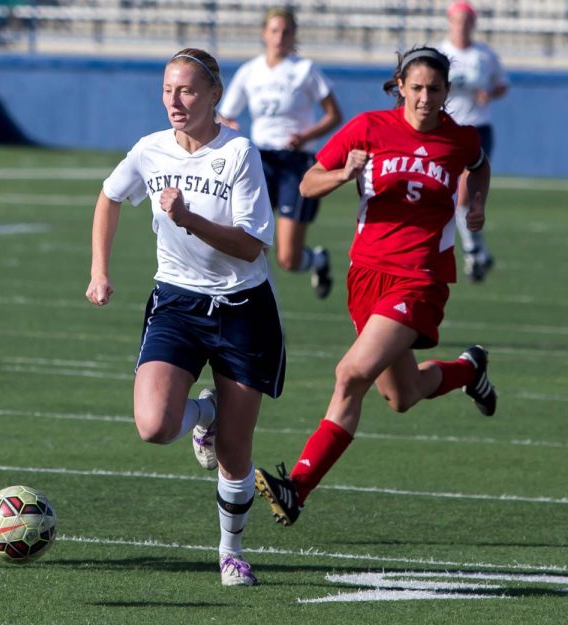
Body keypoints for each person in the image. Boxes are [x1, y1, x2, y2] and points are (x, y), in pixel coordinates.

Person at [253, 47, 497, 527]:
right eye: (417, 87)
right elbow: (306, 183)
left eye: (435, 89)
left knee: (350, 375)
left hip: (421, 277)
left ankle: (297, 487)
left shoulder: (460, 139)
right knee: (402, 395)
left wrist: (477, 205)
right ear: (400, 86)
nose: (425, 98)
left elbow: (479, 164)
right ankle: (470, 370)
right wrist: (344, 173)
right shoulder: (368, 128)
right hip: (365, 276)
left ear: (448, 93)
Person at [85, 48, 286, 586]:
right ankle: (204, 414)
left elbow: (250, 248)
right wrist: (99, 271)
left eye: (188, 90)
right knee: (154, 426)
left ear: (215, 95)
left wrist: (188, 217)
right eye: (169, 90)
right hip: (176, 302)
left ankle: (230, 551)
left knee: (235, 452)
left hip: (242, 309)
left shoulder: (240, 153)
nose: (176, 101)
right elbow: (108, 198)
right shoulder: (149, 151)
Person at [216, 7, 342, 299]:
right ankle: (262, 307)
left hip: (296, 164)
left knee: (288, 258)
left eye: (286, 31)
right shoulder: (251, 71)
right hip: (260, 162)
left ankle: (318, 260)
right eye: (274, 31)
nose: (279, 37)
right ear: (264, 34)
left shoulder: (305, 70)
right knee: (252, 243)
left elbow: (334, 115)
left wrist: (305, 136)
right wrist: (230, 125)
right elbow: (225, 114)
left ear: (294, 35)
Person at [439, 1, 509, 282]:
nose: (462, 26)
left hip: (477, 130)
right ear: (450, 22)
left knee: (465, 193)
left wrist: (489, 93)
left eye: (467, 21)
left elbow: (502, 84)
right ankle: (478, 252)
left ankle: (471, 252)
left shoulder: (485, 54)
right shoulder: (440, 53)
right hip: (445, 130)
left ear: (473, 24)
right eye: (458, 20)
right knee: (447, 194)